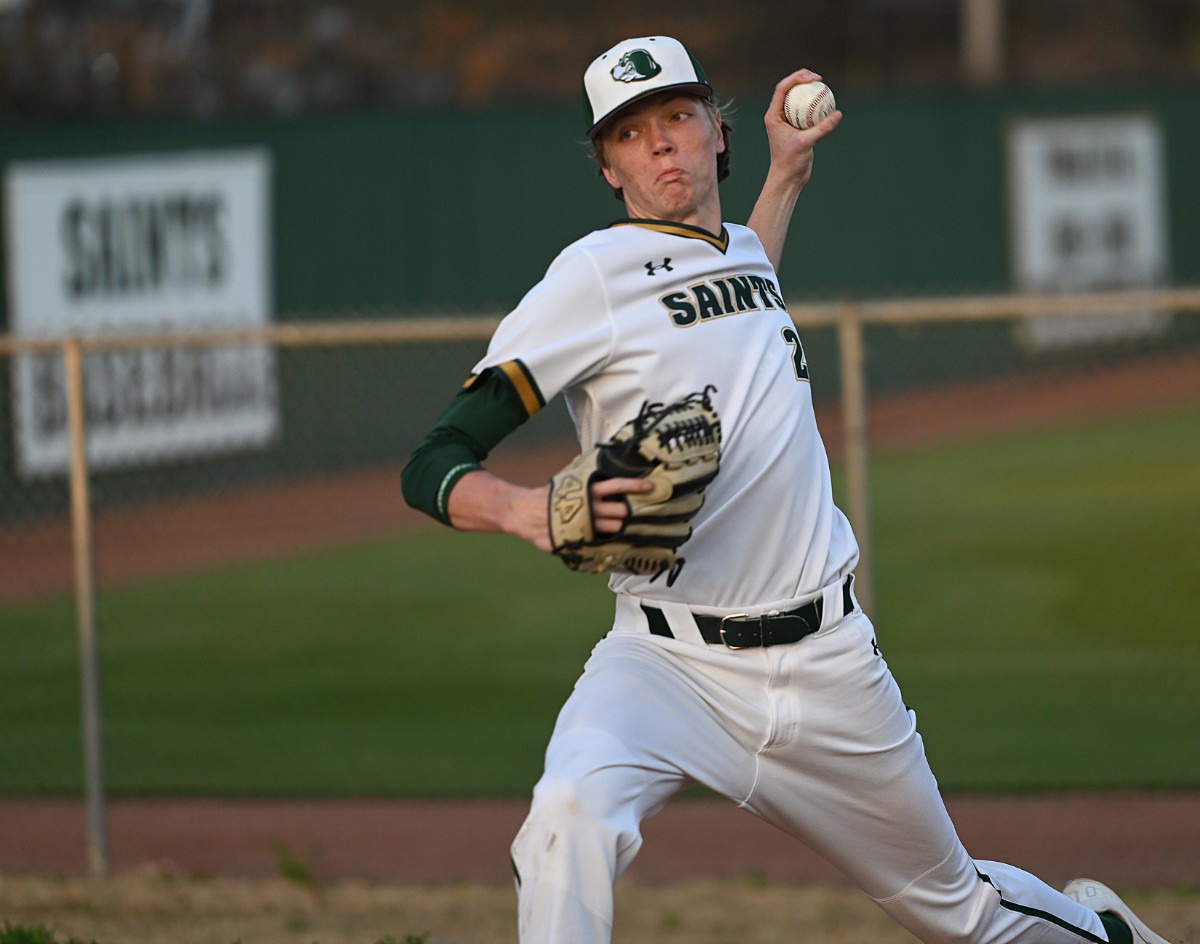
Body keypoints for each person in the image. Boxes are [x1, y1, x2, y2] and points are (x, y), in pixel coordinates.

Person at [401, 35, 1174, 944]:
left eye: (679, 118)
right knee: (567, 814)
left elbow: (738, 285)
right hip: (664, 663)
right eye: (632, 132)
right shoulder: (593, 277)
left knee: (962, 915)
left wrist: (789, 174)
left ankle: (1108, 934)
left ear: (714, 136)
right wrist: (526, 510)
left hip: (827, 666)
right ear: (607, 165)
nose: (660, 144)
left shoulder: (738, 253)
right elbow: (435, 459)